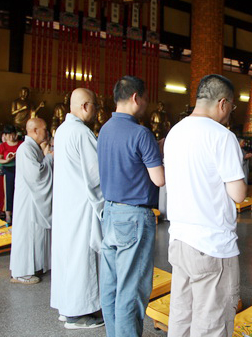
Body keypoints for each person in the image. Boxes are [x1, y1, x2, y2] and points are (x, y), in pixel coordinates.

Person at [164, 74, 246, 337]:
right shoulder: (222, 136)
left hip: (179, 239)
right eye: (231, 107)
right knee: (211, 321)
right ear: (223, 103)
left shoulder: (174, 132)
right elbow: (238, 193)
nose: (229, 113)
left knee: (181, 314)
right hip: (212, 244)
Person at [97, 76, 164, 337]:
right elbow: (159, 178)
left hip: (110, 212)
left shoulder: (104, 129)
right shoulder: (141, 132)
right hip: (134, 217)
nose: (146, 104)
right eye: (146, 98)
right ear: (136, 97)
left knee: (112, 286)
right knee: (132, 289)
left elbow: (126, 162)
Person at [51, 88, 105, 329]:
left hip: (66, 205)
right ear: (85, 106)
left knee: (68, 258)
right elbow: (96, 174)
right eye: (94, 106)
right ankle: (79, 314)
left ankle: (67, 307)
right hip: (82, 207)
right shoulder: (81, 132)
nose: (96, 112)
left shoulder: (62, 131)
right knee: (82, 260)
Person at [9, 118, 53, 284]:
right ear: (35, 130)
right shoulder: (25, 149)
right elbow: (37, 175)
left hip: (33, 198)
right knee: (26, 235)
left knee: (34, 234)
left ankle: (33, 267)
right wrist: (49, 158)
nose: (47, 132)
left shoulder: (32, 147)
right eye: (44, 129)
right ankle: (22, 273)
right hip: (28, 200)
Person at [0, 125, 22, 225]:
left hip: (19, 169)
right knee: (8, 192)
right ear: (5, 136)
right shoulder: (3, 146)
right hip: (8, 169)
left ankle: (18, 213)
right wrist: (7, 160)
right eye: (8, 135)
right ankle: (8, 214)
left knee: (19, 191)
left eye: (13, 134)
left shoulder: (21, 144)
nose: (11, 136)